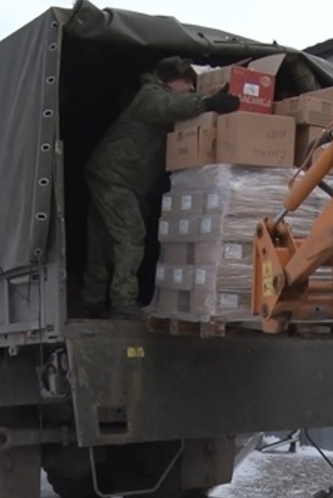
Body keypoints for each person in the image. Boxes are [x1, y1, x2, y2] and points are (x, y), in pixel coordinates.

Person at [81, 56, 241, 319]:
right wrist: (208, 103)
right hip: (115, 176)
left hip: (116, 176)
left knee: (102, 241)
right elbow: (168, 108)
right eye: (187, 82)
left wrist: (207, 101)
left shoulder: (162, 96)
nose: (190, 88)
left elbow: (179, 109)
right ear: (170, 80)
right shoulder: (150, 95)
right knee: (130, 234)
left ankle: (92, 300)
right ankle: (123, 301)